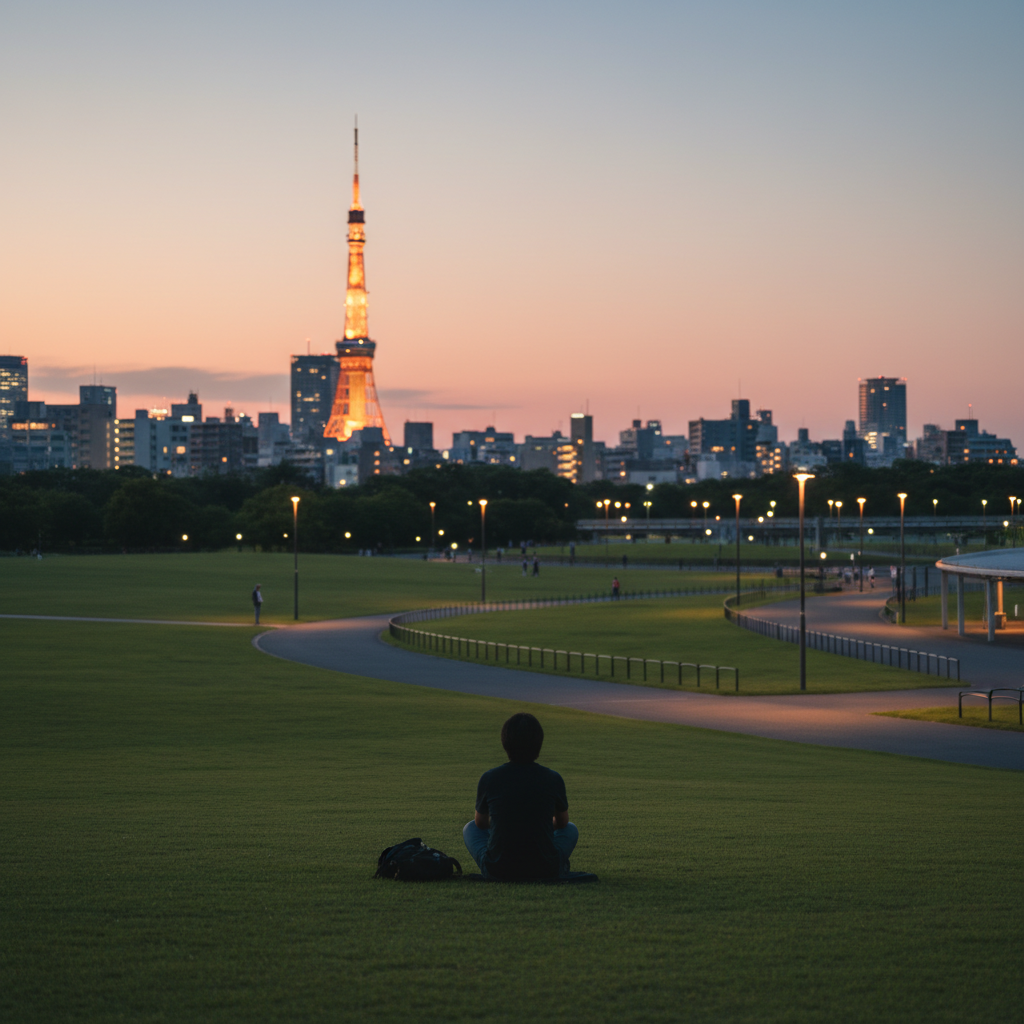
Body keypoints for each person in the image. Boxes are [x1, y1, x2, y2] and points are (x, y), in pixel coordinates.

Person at [463, 713, 578, 881]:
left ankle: (493, 864)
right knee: (571, 829)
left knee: (470, 828)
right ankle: (556, 864)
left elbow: (480, 823)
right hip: (545, 869)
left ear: (505, 744)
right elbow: (562, 823)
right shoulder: (553, 778)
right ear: (539, 744)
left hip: (498, 869)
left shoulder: (490, 778)